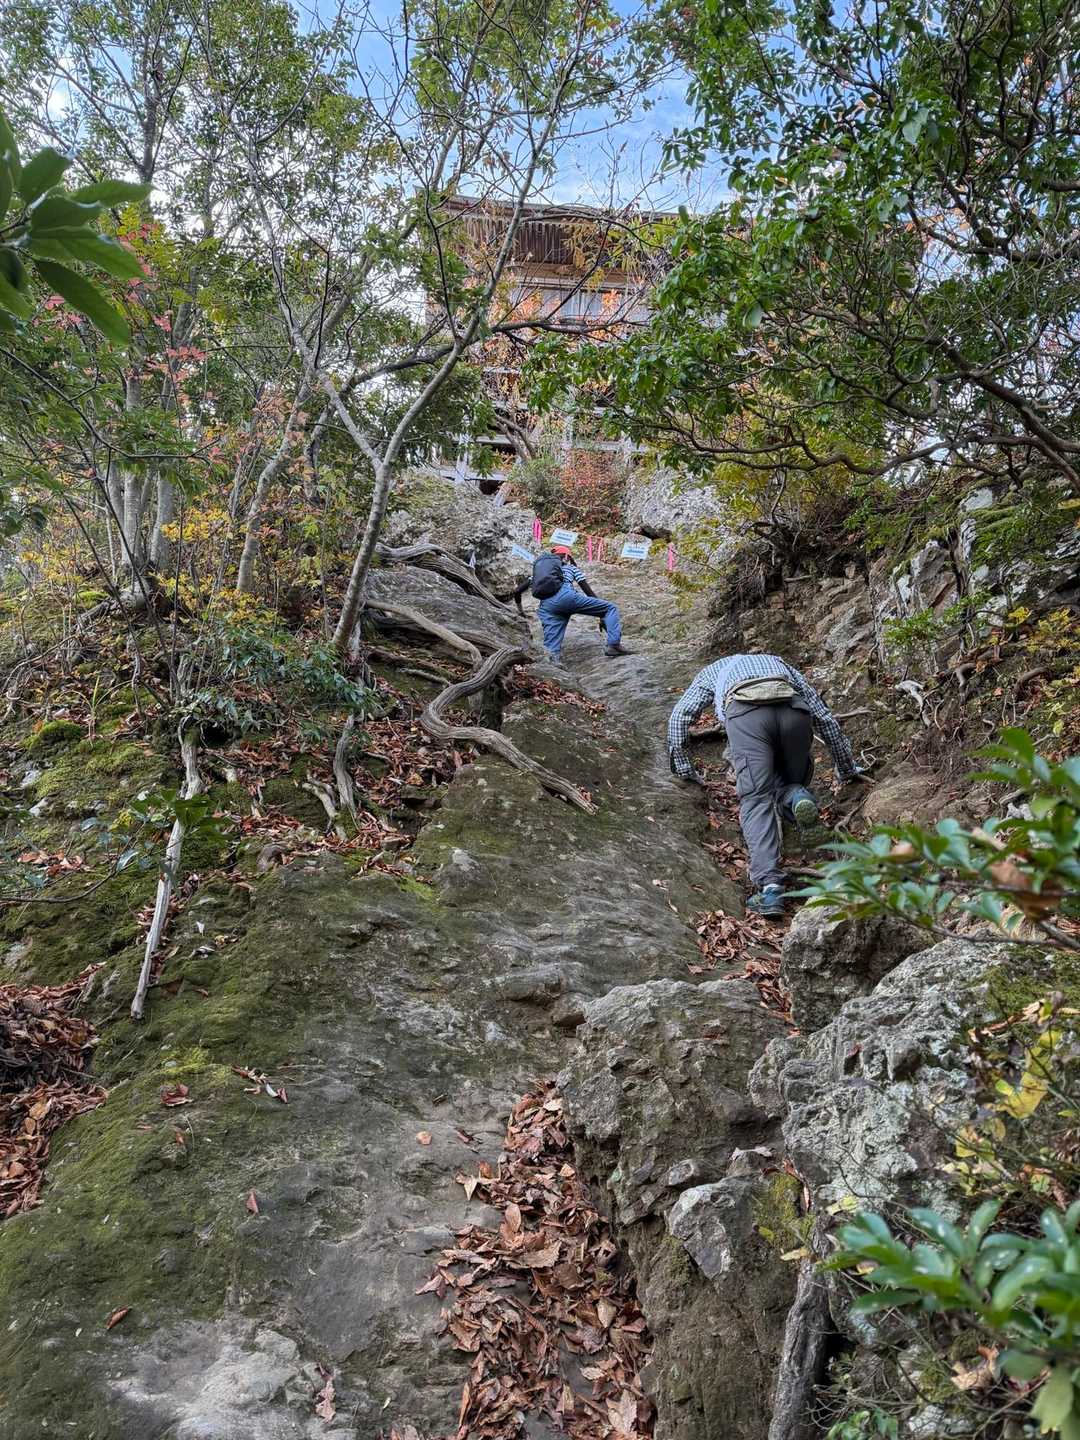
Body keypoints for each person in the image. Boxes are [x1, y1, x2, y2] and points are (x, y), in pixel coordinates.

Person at [667, 653, 865, 918]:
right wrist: (847, 767)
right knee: (789, 782)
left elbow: (679, 718)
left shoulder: (713, 670)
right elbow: (823, 717)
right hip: (794, 712)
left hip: (747, 717)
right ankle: (798, 798)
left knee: (756, 798)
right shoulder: (779, 662)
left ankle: (771, 889)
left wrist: (683, 767)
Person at [514, 545, 631, 662]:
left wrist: (521, 611)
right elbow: (588, 591)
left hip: (547, 607)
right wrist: (601, 614)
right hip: (567, 597)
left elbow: (517, 591)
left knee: (551, 648)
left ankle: (551, 665)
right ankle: (614, 645)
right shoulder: (571, 568)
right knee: (610, 608)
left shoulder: (540, 573)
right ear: (566, 557)